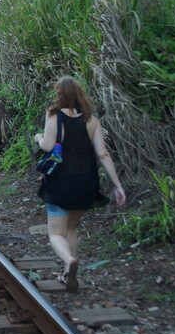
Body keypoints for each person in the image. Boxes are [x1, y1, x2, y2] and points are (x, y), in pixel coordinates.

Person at [34, 76, 126, 293]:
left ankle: (69, 261)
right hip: (86, 181)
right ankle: (68, 274)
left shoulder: (53, 115)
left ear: (60, 94)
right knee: (71, 228)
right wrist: (117, 185)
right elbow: (103, 154)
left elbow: (47, 146)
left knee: (56, 233)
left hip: (61, 181)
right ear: (79, 94)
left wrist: (38, 137)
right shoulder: (91, 120)